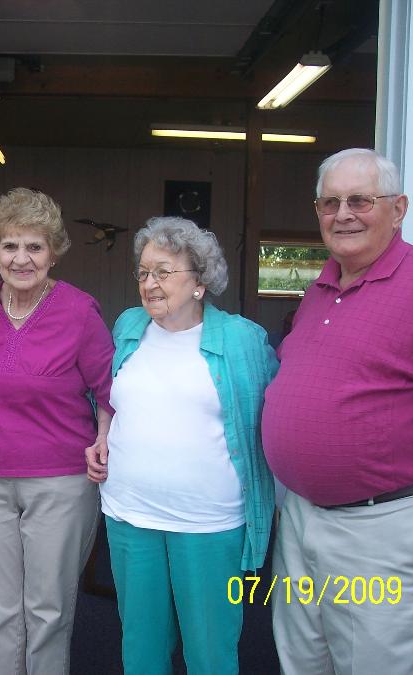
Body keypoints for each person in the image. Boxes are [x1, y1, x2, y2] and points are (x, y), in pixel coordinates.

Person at [263, 148, 413, 675]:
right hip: (302, 520)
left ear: (399, 208)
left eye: (361, 200)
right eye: (330, 202)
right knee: (305, 662)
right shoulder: (322, 289)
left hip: (385, 527)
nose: (343, 213)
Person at [86, 217, 277, 675]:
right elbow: (108, 393)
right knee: (141, 648)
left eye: (163, 272)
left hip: (209, 523)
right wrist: (102, 433)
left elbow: (278, 408)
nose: (149, 284)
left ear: (200, 283)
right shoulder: (129, 325)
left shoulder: (241, 338)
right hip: (130, 514)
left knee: (211, 652)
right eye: (143, 272)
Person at [0, 187, 115, 674]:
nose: (22, 258)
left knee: (48, 611)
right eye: (10, 246)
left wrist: (102, 438)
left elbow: (109, 390)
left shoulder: (79, 312)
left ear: (54, 252)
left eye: (35, 247)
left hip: (60, 482)